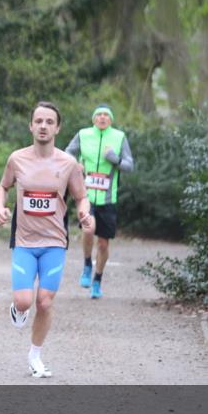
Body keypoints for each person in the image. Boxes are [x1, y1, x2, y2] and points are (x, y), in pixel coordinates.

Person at [0, 102, 94, 378]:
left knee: (45, 302)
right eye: (38, 121)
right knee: (24, 301)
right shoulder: (17, 159)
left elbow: (81, 197)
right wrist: (0, 208)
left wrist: (84, 213)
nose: (43, 126)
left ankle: (35, 356)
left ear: (57, 128)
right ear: (30, 126)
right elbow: (3, 186)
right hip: (24, 242)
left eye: (49, 122)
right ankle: (18, 309)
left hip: (54, 243)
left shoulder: (68, 163)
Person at [64, 104, 134, 299]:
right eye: (99, 115)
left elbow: (130, 166)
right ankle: (87, 265)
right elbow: (67, 153)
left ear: (110, 120)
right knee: (88, 229)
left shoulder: (119, 137)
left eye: (106, 115)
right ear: (94, 119)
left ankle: (97, 280)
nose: (102, 117)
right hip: (86, 196)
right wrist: (75, 164)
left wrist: (115, 159)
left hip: (108, 199)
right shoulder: (83, 134)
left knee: (103, 244)